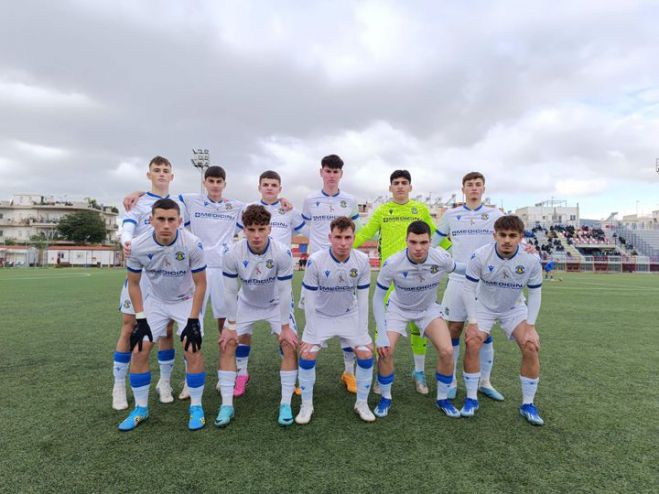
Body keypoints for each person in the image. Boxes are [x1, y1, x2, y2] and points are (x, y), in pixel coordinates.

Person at [119, 198, 208, 431]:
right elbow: (134, 284)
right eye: (160, 219)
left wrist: (193, 319)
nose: (166, 225)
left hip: (185, 301)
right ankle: (140, 409)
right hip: (156, 302)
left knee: (192, 348)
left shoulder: (193, 244)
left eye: (171, 220)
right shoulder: (138, 245)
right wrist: (140, 317)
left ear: (180, 221)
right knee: (139, 349)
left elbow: (201, 284)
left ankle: (196, 407)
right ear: (151, 220)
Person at [353, 169, 436, 394]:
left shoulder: (420, 210)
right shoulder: (382, 210)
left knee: (417, 324)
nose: (400, 186)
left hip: (419, 275)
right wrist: (340, 247)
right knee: (385, 325)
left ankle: (419, 371)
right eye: (396, 183)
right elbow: (365, 234)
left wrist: (454, 254)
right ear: (390, 187)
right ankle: (382, 374)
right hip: (390, 277)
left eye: (404, 182)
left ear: (410, 187)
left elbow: (435, 236)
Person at [372, 221, 464, 418]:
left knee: (447, 351)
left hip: (428, 309)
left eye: (423, 242)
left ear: (430, 242)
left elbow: (460, 268)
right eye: (413, 242)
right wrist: (380, 333)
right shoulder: (393, 263)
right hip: (398, 309)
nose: (418, 248)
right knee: (385, 351)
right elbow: (378, 298)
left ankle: (442, 399)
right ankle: (385, 397)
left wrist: (485, 266)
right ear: (406, 241)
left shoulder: (440, 258)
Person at [460, 215, 544, 426]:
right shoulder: (480, 256)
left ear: (521, 237)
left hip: (514, 308)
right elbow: (468, 289)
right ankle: (471, 398)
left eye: (512, 236)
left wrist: (531, 327)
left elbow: (535, 293)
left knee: (531, 345)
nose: (507, 240)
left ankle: (528, 404)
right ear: (494, 235)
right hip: (484, 306)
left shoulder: (531, 259)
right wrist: (472, 322)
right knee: (472, 341)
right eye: (502, 235)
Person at [217, 205, 297, 427]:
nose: (256, 235)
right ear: (244, 230)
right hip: (246, 303)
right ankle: (226, 405)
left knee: (289, 344)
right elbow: (230, 291)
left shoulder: (282, 252)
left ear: (270, 229)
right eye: (251, 230)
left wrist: (285, 327)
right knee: (227, 343)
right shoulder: (232, 253)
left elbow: (285, 291)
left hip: (275, 304)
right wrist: (231, 325)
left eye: (261, 229)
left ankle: (286, 403)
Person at [231, 170, 305, 397]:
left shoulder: (288, 210)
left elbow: (309, 230)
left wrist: (293, 208)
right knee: (241, 333)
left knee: (287, 335)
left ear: (280, 188)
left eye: (274, 185)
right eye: (266, 184)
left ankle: (292, 378)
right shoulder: (248, 208)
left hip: (278, 279)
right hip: (252, 279)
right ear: (259, 187)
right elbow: (230, 226)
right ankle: (242, 373)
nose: (270, 188)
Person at [112, 156, 178, 411]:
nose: (161, 173)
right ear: (149, 174)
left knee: (167, 331)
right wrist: (126, 242)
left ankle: (165, 382)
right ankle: (119, 385)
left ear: (171, 176)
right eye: (156, 170)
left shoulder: (178, 203)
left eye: (165, 170)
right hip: (140, 275)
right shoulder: (138, 203)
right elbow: (128, 227)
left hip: (167, 275)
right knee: (129, 327)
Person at [295, 216, 375, 425]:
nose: (343, 243)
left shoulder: (362, 260)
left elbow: (363, 300)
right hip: (321, 315)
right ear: (330, 237)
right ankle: (306, 405)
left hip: (348, 314)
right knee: (307, 354)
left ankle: (362, 403)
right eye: (338, 237)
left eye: (348, 237)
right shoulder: (316, 260)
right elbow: (309, 301)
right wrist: (311, 333)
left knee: (366, 353)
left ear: (354, 238)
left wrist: (363, 333)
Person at [434, 172, 505, 401]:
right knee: (453, 328)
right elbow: (433, 243)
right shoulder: (451, 215)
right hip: (458, 279)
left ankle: (485, 382)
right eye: (470, 185)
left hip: (485, 282)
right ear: (463, 189)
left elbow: (508, 240)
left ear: (483, 189)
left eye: (478, 185)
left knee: (483, 332)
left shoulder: (495, 215)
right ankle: (451, 381)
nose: (474, 188)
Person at [176, 166, 244, 399]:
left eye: (219, 181)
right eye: (211, 181)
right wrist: (137, 194)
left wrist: (284, 201)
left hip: (223, 270)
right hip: (197, 269)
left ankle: (226, 375)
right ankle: (190, 379)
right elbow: (161, 196)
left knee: (226, 323)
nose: (215, 185)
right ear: (204, 182)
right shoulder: (190, 200)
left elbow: (265, 208)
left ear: (225, 184)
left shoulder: (235, 206)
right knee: (192, 322)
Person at [301, 155, 361, 394]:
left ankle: (349, 372)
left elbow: (354, 230)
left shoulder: (350, 201)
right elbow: (306, 227)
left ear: (341, 174)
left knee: (348, 315)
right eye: (328, 170)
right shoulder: (310, 200)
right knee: (313, 316)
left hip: (343, 267)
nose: (332, 175)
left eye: (336, 171)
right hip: (317, 268)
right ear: (321, 172)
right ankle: (306, 377)